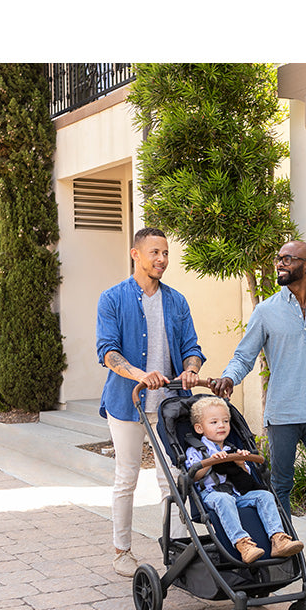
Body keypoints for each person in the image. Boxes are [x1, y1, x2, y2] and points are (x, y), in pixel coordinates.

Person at [212, 240, 306, 588]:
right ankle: (283, 559)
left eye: (287, 259)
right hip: (282, 416)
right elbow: (244, 356)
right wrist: (228, 377)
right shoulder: (266, 311)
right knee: (278, 490)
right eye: (278, 258)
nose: (279, 264)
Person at [96, 227, 204, 577]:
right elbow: (108, 352)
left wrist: (190, 369)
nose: (162, 259)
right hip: (128, 403)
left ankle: (177, 552)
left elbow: (191, 348)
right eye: (155, 252)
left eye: (166, 253)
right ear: (136, 254)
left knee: (171, 479)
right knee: (126, 477)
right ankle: (121, 552)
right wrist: (140, 374)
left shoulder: (177, 301)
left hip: (169, 404)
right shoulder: (112, 299)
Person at [184, 396, 305, 564]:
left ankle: (278, 539)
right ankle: (243, 544)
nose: (221, 425)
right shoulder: (195, 450)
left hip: (236, 495)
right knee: (223, 499)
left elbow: (244, 478)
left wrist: (240, 463)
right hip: (211, 495)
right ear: (199, 428)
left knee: (264, 496)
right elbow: (193, 475)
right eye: (214, 422)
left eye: (225, 421)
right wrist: (210, 461)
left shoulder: (231, 449)